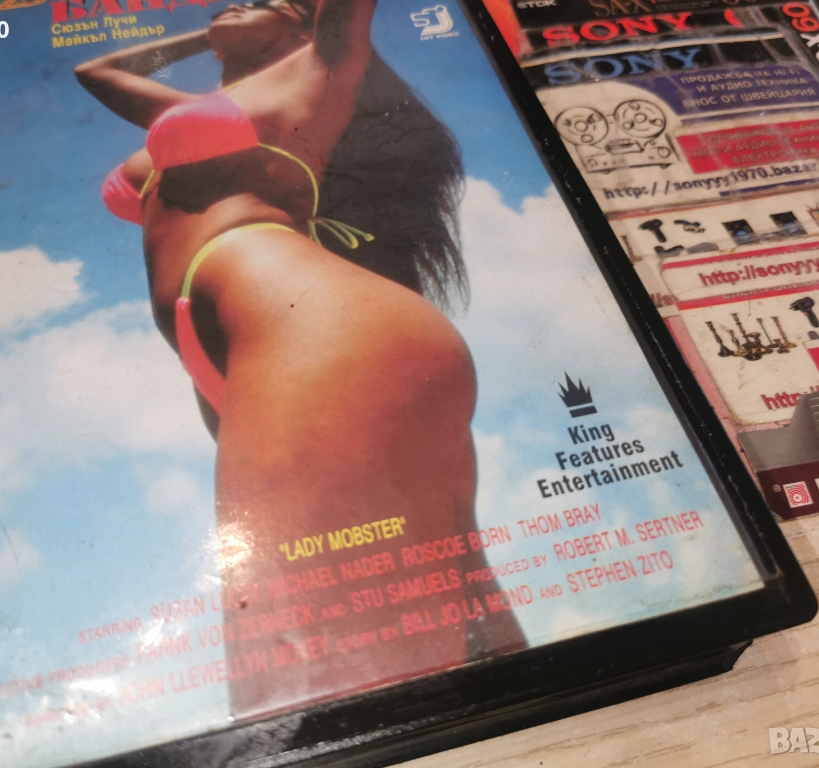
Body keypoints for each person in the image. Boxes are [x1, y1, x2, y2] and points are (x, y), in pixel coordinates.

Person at [76, 0, 525, 718]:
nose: (238, 1)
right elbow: (95, 69)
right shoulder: (213, 100)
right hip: (243, 348)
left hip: (308, 320)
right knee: (470, 620)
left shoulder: (320, 70)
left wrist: (293, 29)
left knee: (304, 684)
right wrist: (214, 35)